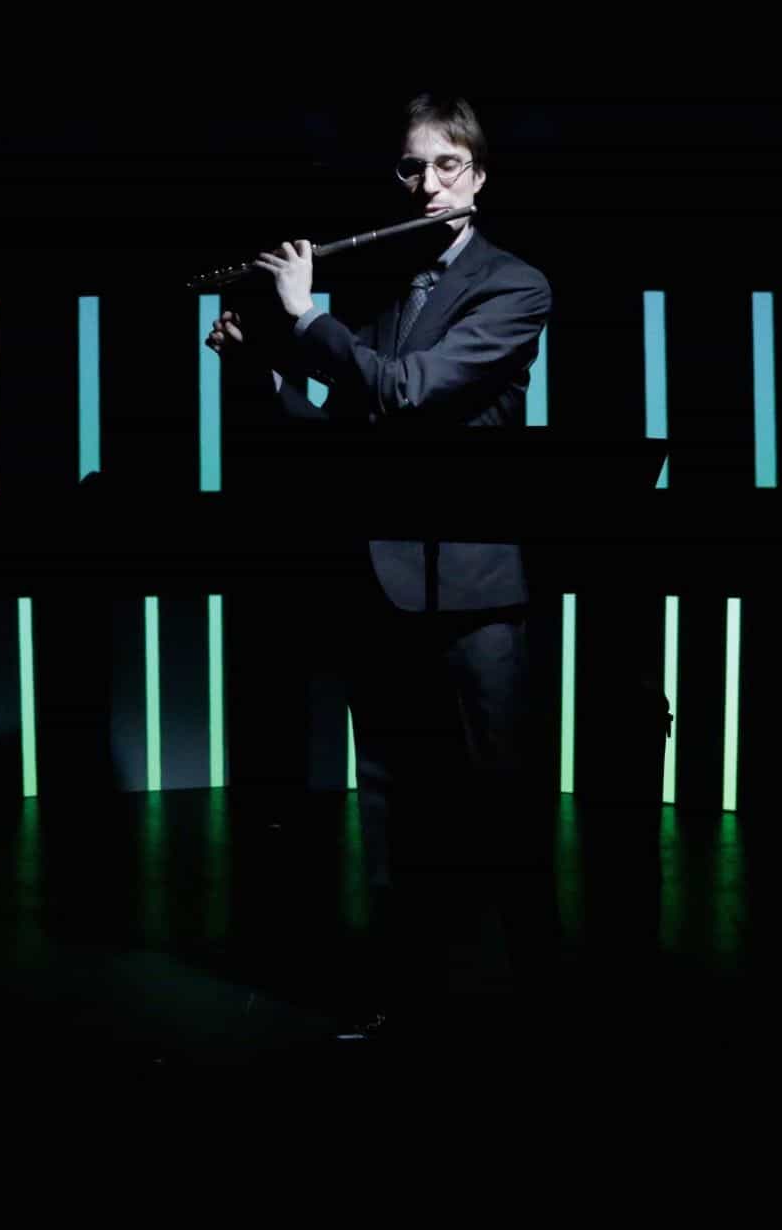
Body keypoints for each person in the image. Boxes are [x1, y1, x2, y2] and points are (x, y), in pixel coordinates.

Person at [206, 93, 560, 1044]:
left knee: (502, 806)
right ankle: (403, 998)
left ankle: (536, 1001)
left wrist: (306, 317)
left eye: (448, 165)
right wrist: (263, 365)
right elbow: (339, 437)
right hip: (383, 586)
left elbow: (409, 392)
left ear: (479, 177)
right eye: (412, 167)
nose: (428, 184)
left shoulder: (515, 285)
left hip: (474, 591)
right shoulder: (383, 290)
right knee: (396, 810)